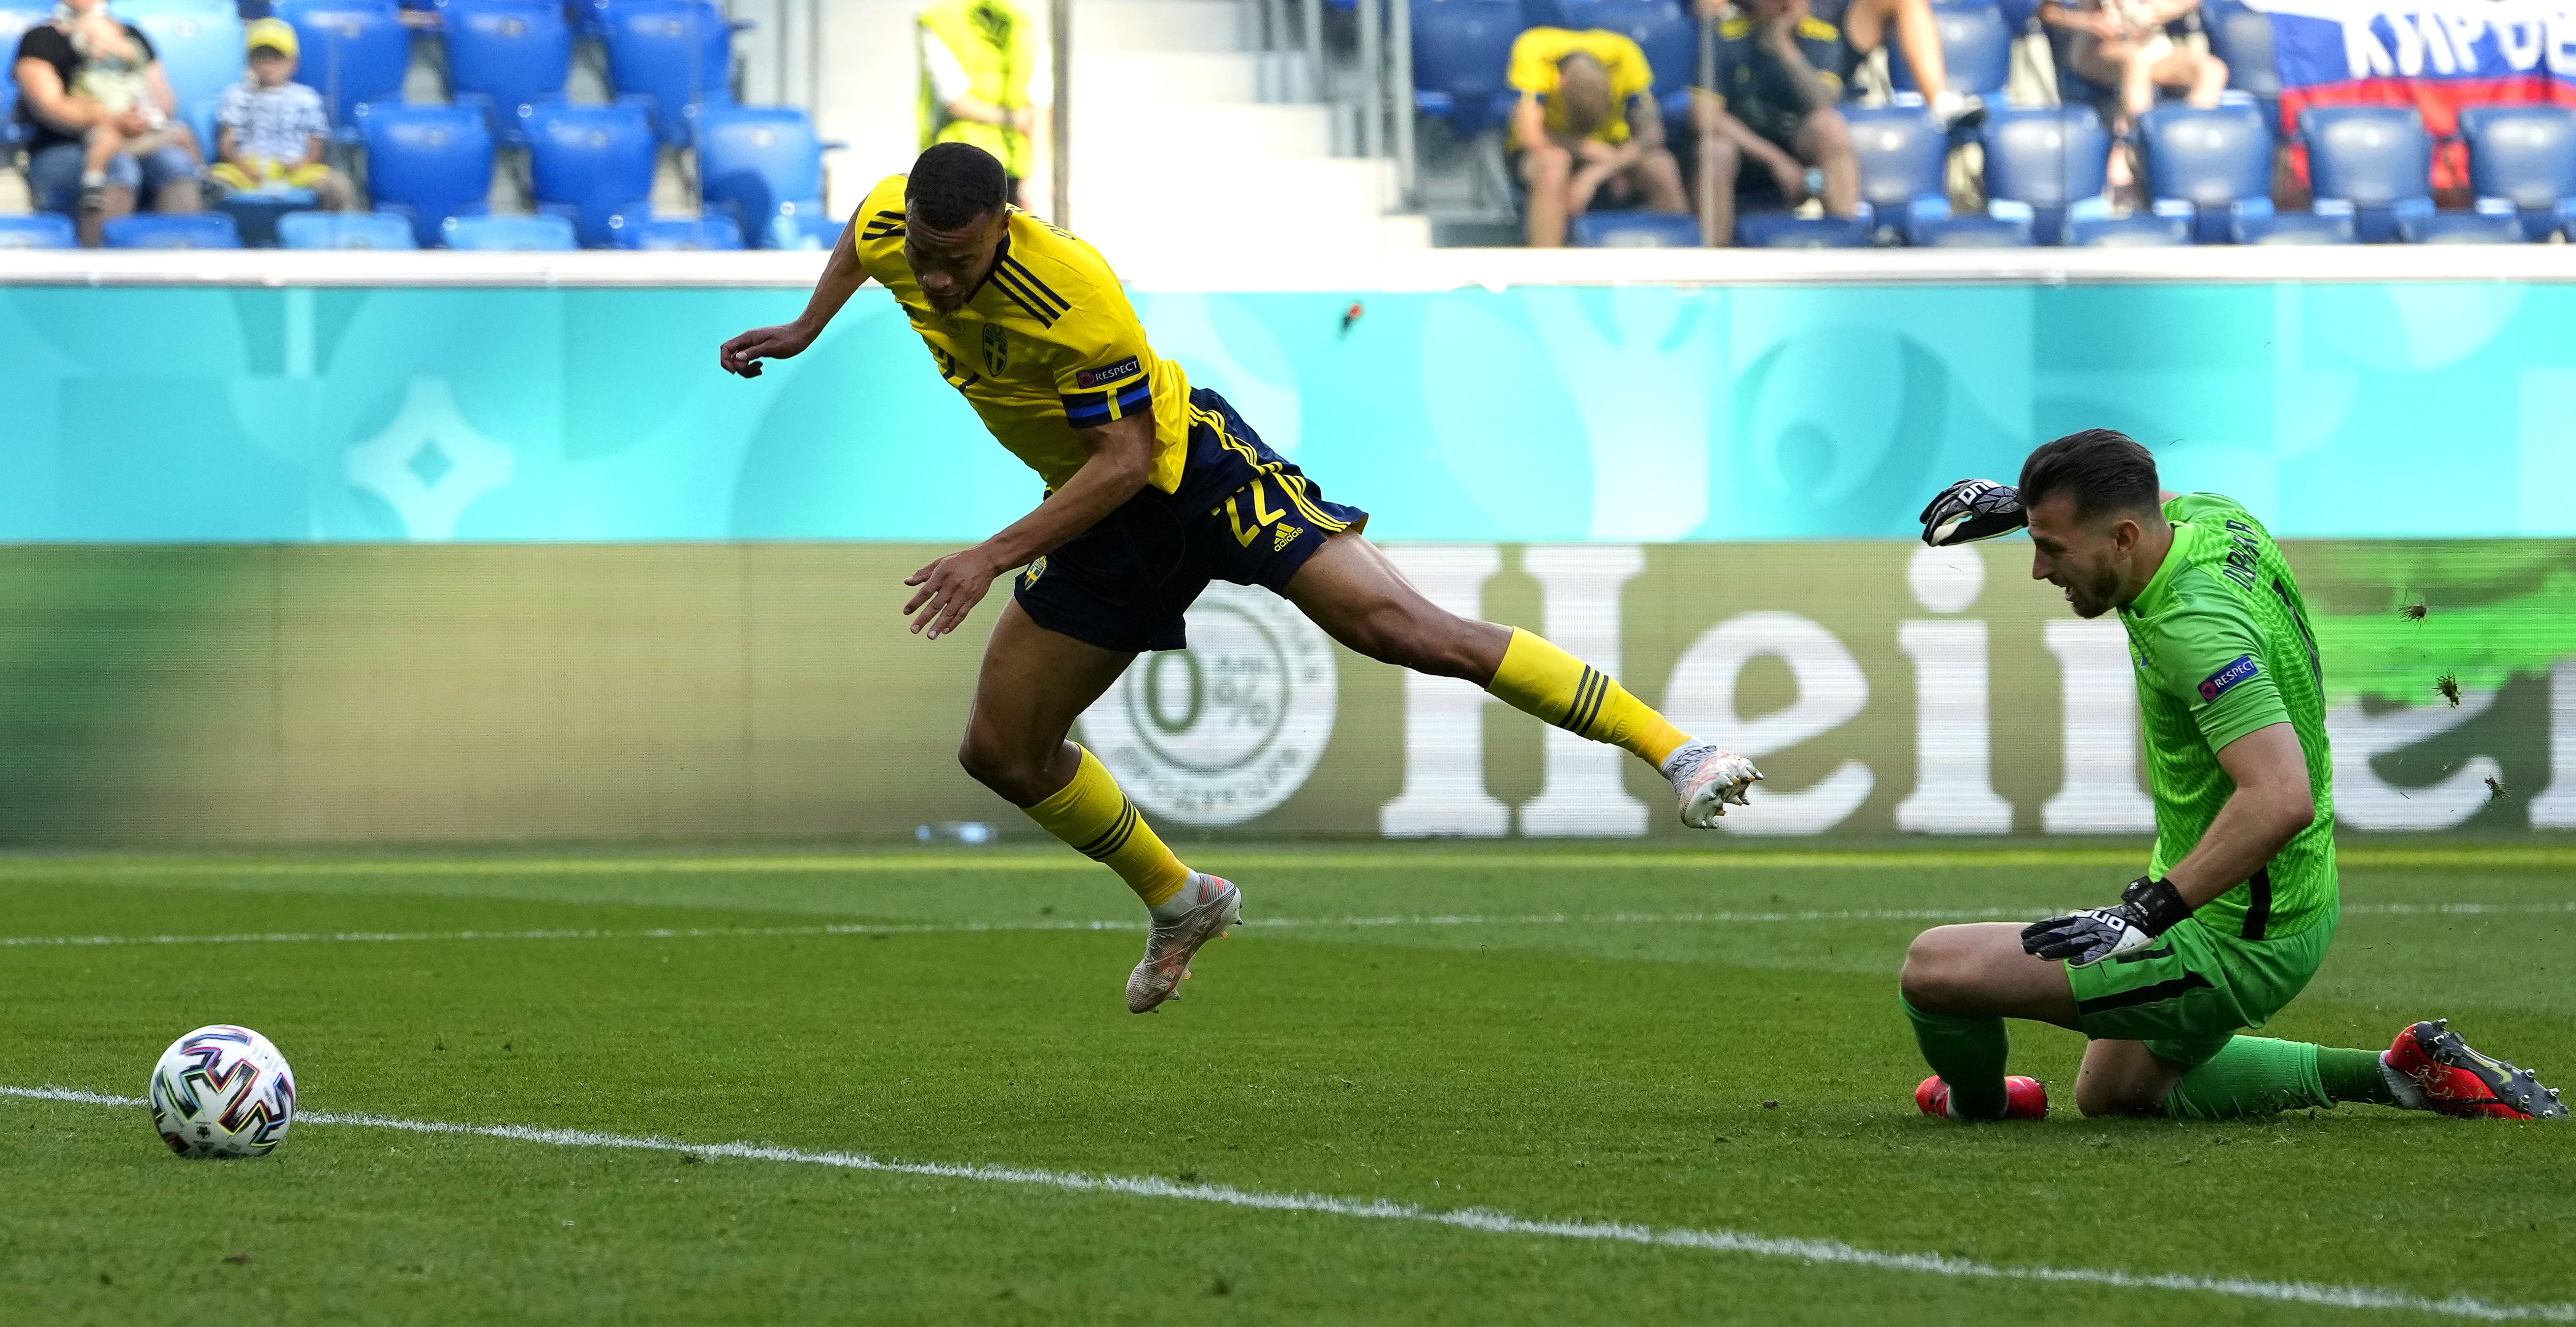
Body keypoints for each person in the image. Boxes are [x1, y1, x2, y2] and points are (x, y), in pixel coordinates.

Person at [718, 143, 1763, 1014]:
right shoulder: (898, 227)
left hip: (1191, 476)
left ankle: (1675, 748)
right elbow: (862, 227)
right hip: (1100, 522)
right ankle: (1181, 899)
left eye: (956, 259)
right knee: (1000, 750)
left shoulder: (1074, 296)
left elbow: (1125, 461)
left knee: (1402, 628)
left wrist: (991, 553)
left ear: (1002, 221)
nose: (934, 281)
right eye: (924, 259)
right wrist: (808, 327)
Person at [1901, 432, 2565, 1125]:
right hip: (2287, 893)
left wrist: (2141, 916)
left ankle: (1979, 1103)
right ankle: (2400, 1073)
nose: (2040, 568)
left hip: (2233, 936)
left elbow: (2281, 797)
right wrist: (2025, 506)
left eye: (2054, 548)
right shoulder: (2215, 520)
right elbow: (2136, 484)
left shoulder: (2195, 630)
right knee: (2115, 1093)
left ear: (2124, 538)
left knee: (1934, 969)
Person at [11, 0, 203, 245]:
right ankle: (99, 263)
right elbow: (50, 106)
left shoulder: (133, 37)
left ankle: (180, 259)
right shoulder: (40, 39)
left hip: (137, 140)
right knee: (120, 168)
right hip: (64, 147)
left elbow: (164, 102)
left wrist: (143, 119)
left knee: (175, 163)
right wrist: (112, 120)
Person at [1505, 27, 1689, 248]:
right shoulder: (1534, 47)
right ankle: (1546, 268)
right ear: (1561, 83)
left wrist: (1594, 174)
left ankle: (1681, 265)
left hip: (1613, 149)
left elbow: (1651, 135)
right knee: (1553, 165)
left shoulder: (1624, 52)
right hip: (1553, 145)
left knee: (1662, 165)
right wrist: (1588, 150)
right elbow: (1531, 136)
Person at [1693, 0, 1857, 245]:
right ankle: (1714, 260)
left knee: (1830, 127)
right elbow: (1704, 117)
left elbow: (1823, 102)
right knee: (1714, 150)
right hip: (1745, 149)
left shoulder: (1822, 35)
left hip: (1800, 149)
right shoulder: (1723, 36)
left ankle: (1847, 245)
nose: (1786, 3)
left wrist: (1783, 45)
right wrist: (1777, 161)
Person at [209, 19, 352, 211]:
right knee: (209, 185)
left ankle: (316, 237)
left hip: (295, 168)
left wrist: (302, 164)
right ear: (250, 62)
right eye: (260, 55)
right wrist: (244, 168)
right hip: (246, 166)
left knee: (338, 187)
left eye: (276, 56)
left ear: (293, 63)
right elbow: (226, 141)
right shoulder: (236, 95)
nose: (268, 63)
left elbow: (316, 142)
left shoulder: (306, 97)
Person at [917, 0, 1046, 211]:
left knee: (959, 238)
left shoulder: (941, 19)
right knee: (1003, 240)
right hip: (999, 165)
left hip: (957, 161)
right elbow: (1039, 105)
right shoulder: (1023, 23)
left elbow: (953, 97)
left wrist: (1036, 175)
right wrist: (1036, 173)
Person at [2042, 0, 2224, 121]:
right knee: (2136, 62)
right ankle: (2139, 146)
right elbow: (2048, 12)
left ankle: (2185, 140)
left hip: (2151, 45)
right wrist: (2090, 21)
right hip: (2097, 48)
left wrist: (2161, 9)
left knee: (2212, 70)